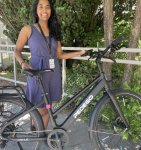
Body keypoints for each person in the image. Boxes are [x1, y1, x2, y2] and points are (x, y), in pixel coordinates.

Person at [14, 0, 86, 132]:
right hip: (37, 72)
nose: (44, 10)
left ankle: (40, 136)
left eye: (47, 7)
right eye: (41, 7)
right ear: (36, 10)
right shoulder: (28, 29)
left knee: (47, 108)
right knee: (39, 109)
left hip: (52, 73)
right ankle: (37, 136)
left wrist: (80, 52)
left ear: (51, 10)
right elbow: (17, 50)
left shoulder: (54, 31)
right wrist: (22, 63)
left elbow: (60, 55)